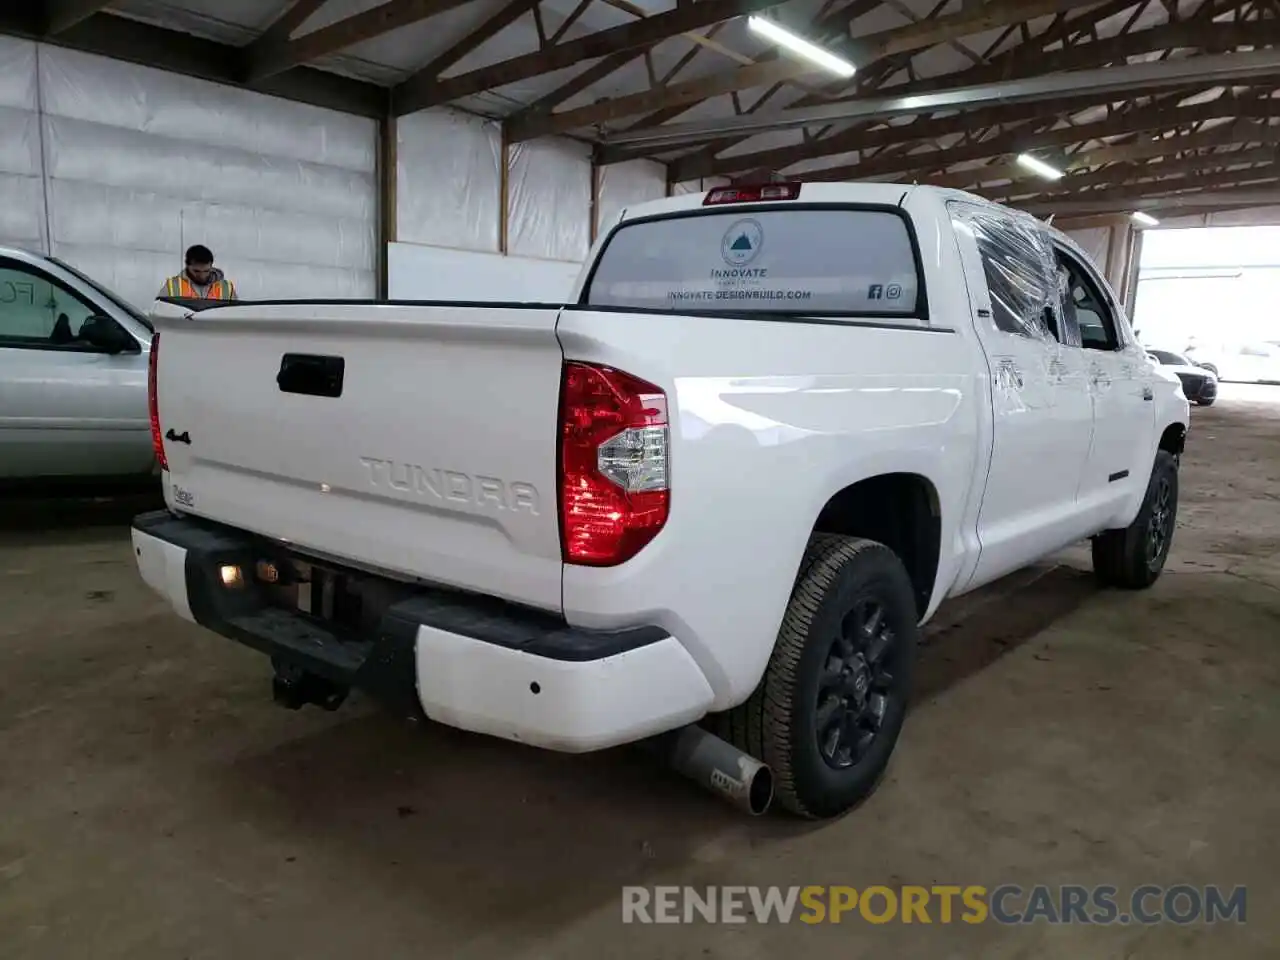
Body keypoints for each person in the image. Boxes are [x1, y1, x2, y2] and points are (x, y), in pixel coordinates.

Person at [159, 245, 237, 300]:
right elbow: (160, 314)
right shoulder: (172, 286)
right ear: (187, 266)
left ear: (211, 266)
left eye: (206, 271)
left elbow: (235, 316)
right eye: (196, 271)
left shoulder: (227, 288)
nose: (202, 276)